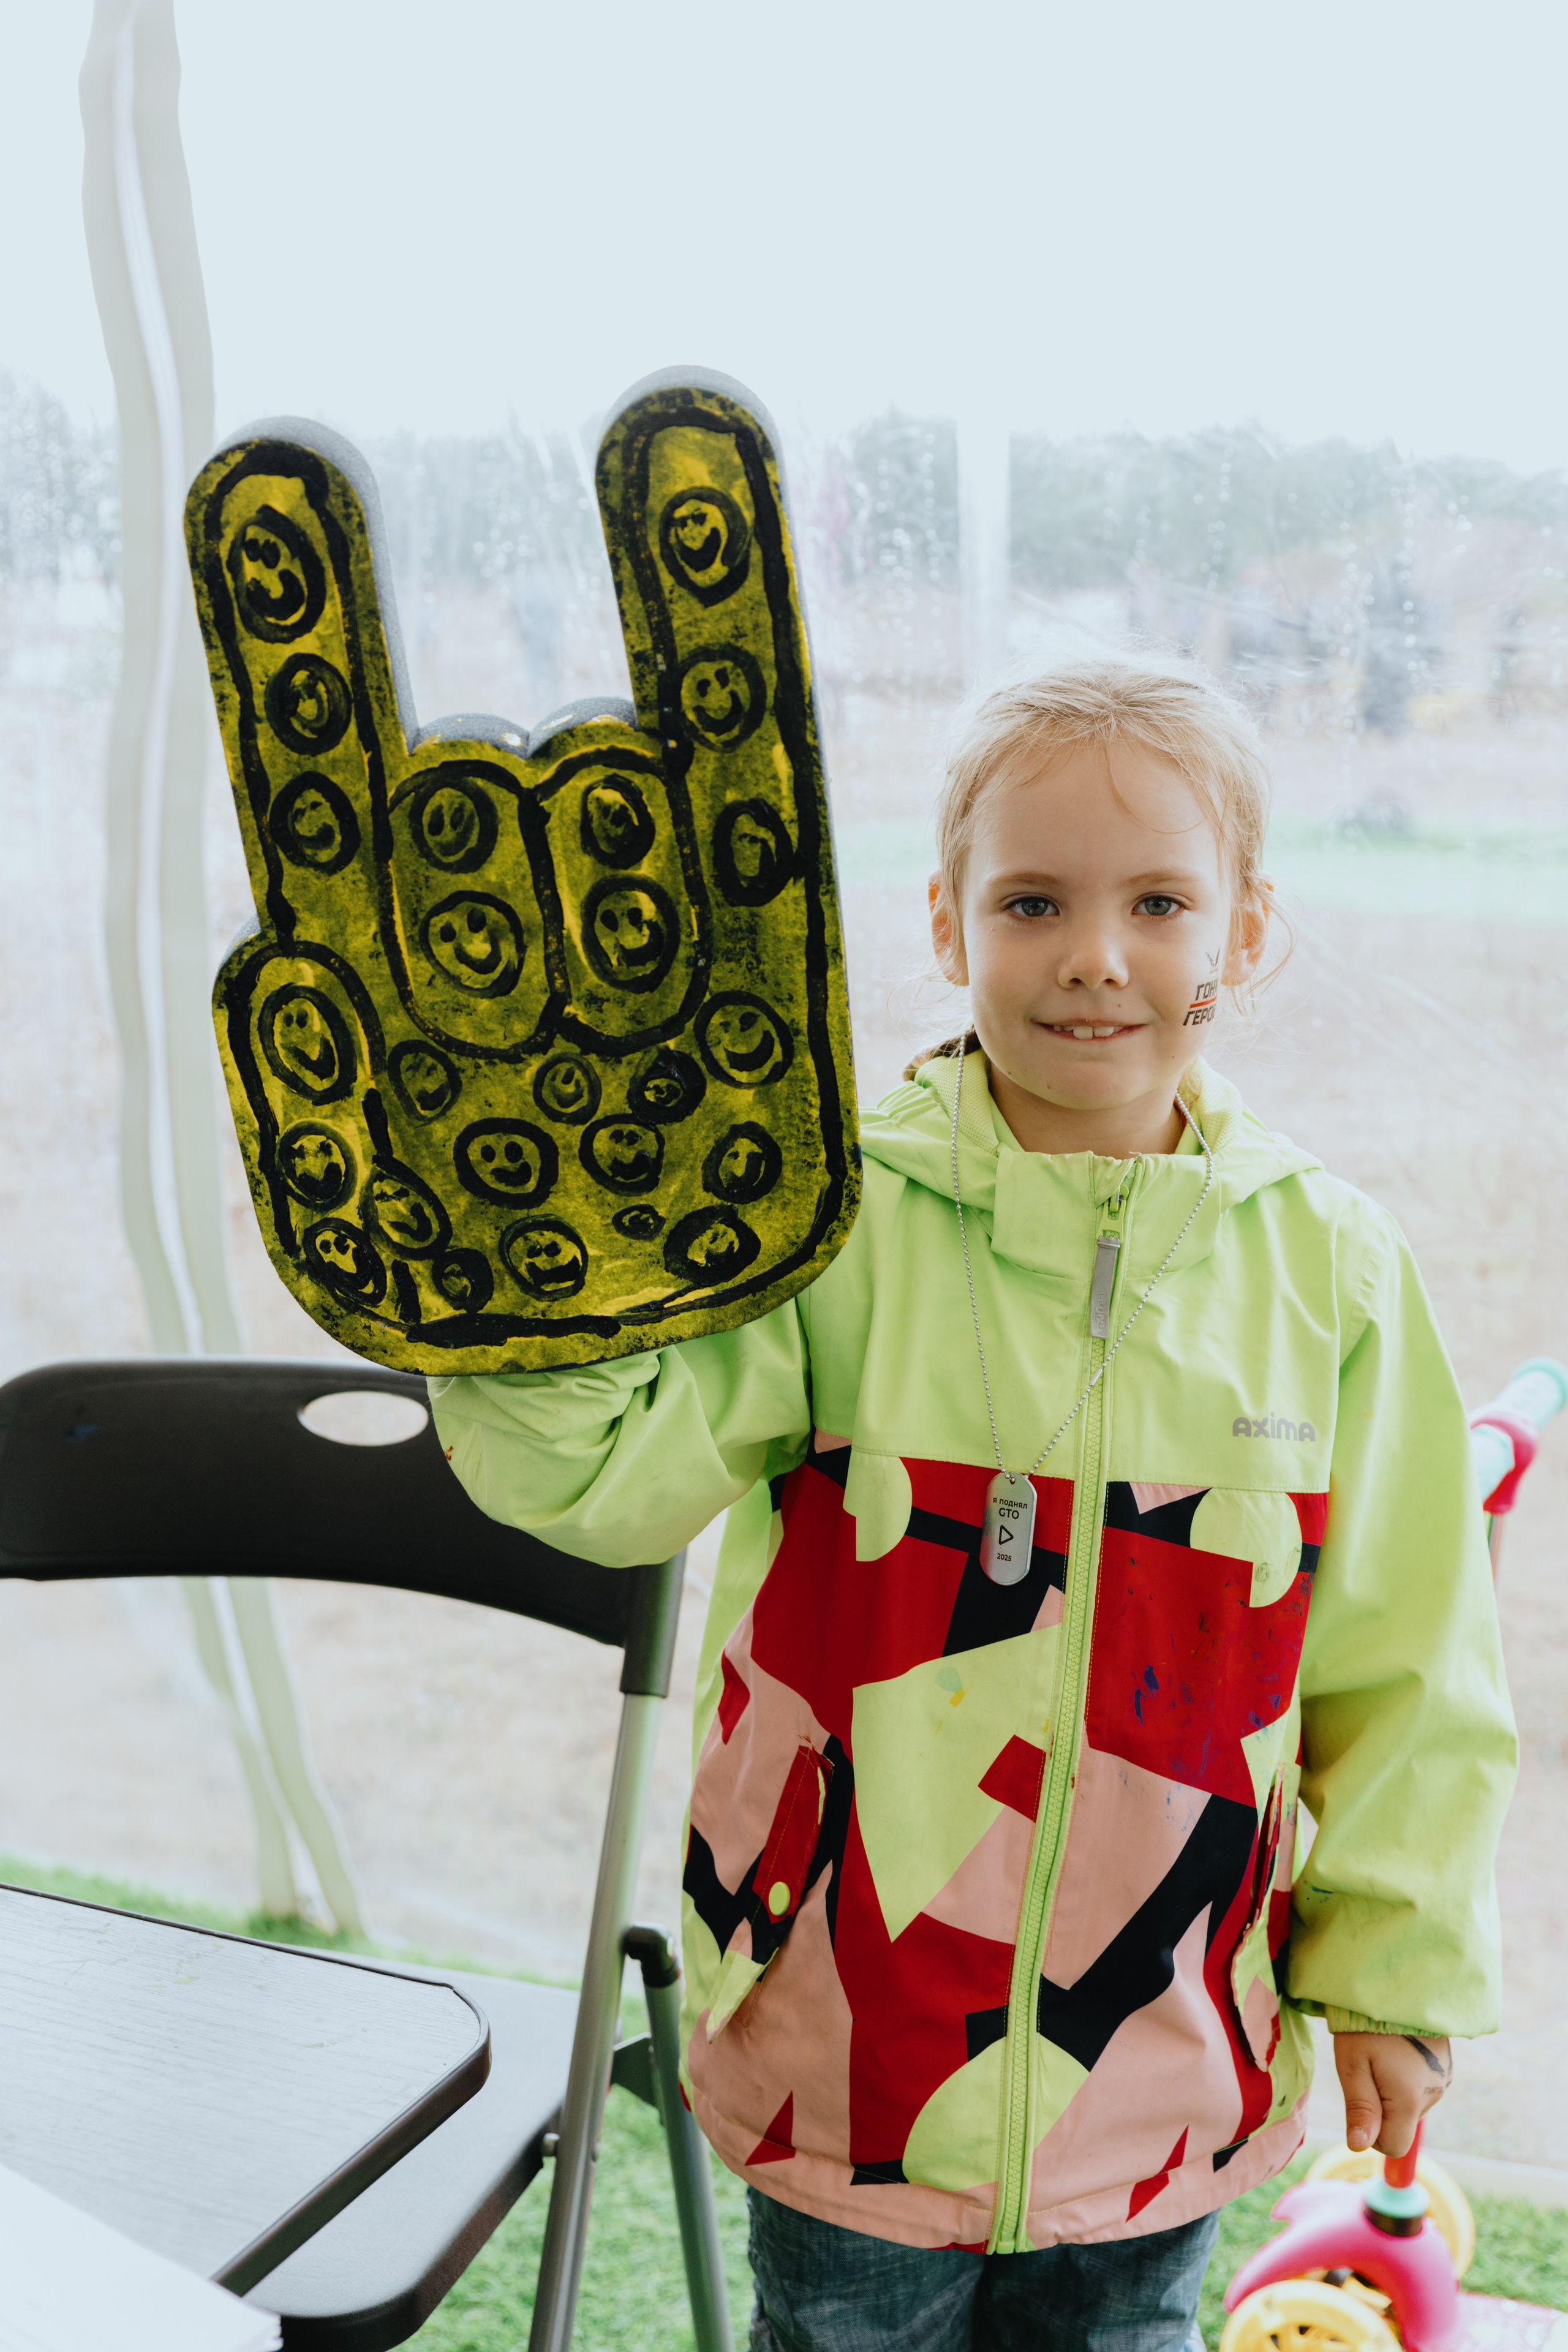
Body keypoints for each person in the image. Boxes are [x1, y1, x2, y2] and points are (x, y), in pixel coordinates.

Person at [432, 657, 1515, 2352]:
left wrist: (1391, 1976)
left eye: (1161, 901)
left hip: (1165, 2071)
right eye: (1034, 901)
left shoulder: (1331, 1274)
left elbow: (1415, 1669)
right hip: (841, 2066)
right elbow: (597, 1479)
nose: (1097, 954)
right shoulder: (825, 1222)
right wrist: (521, 1301)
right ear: (947, 923)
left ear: (1246, 932)